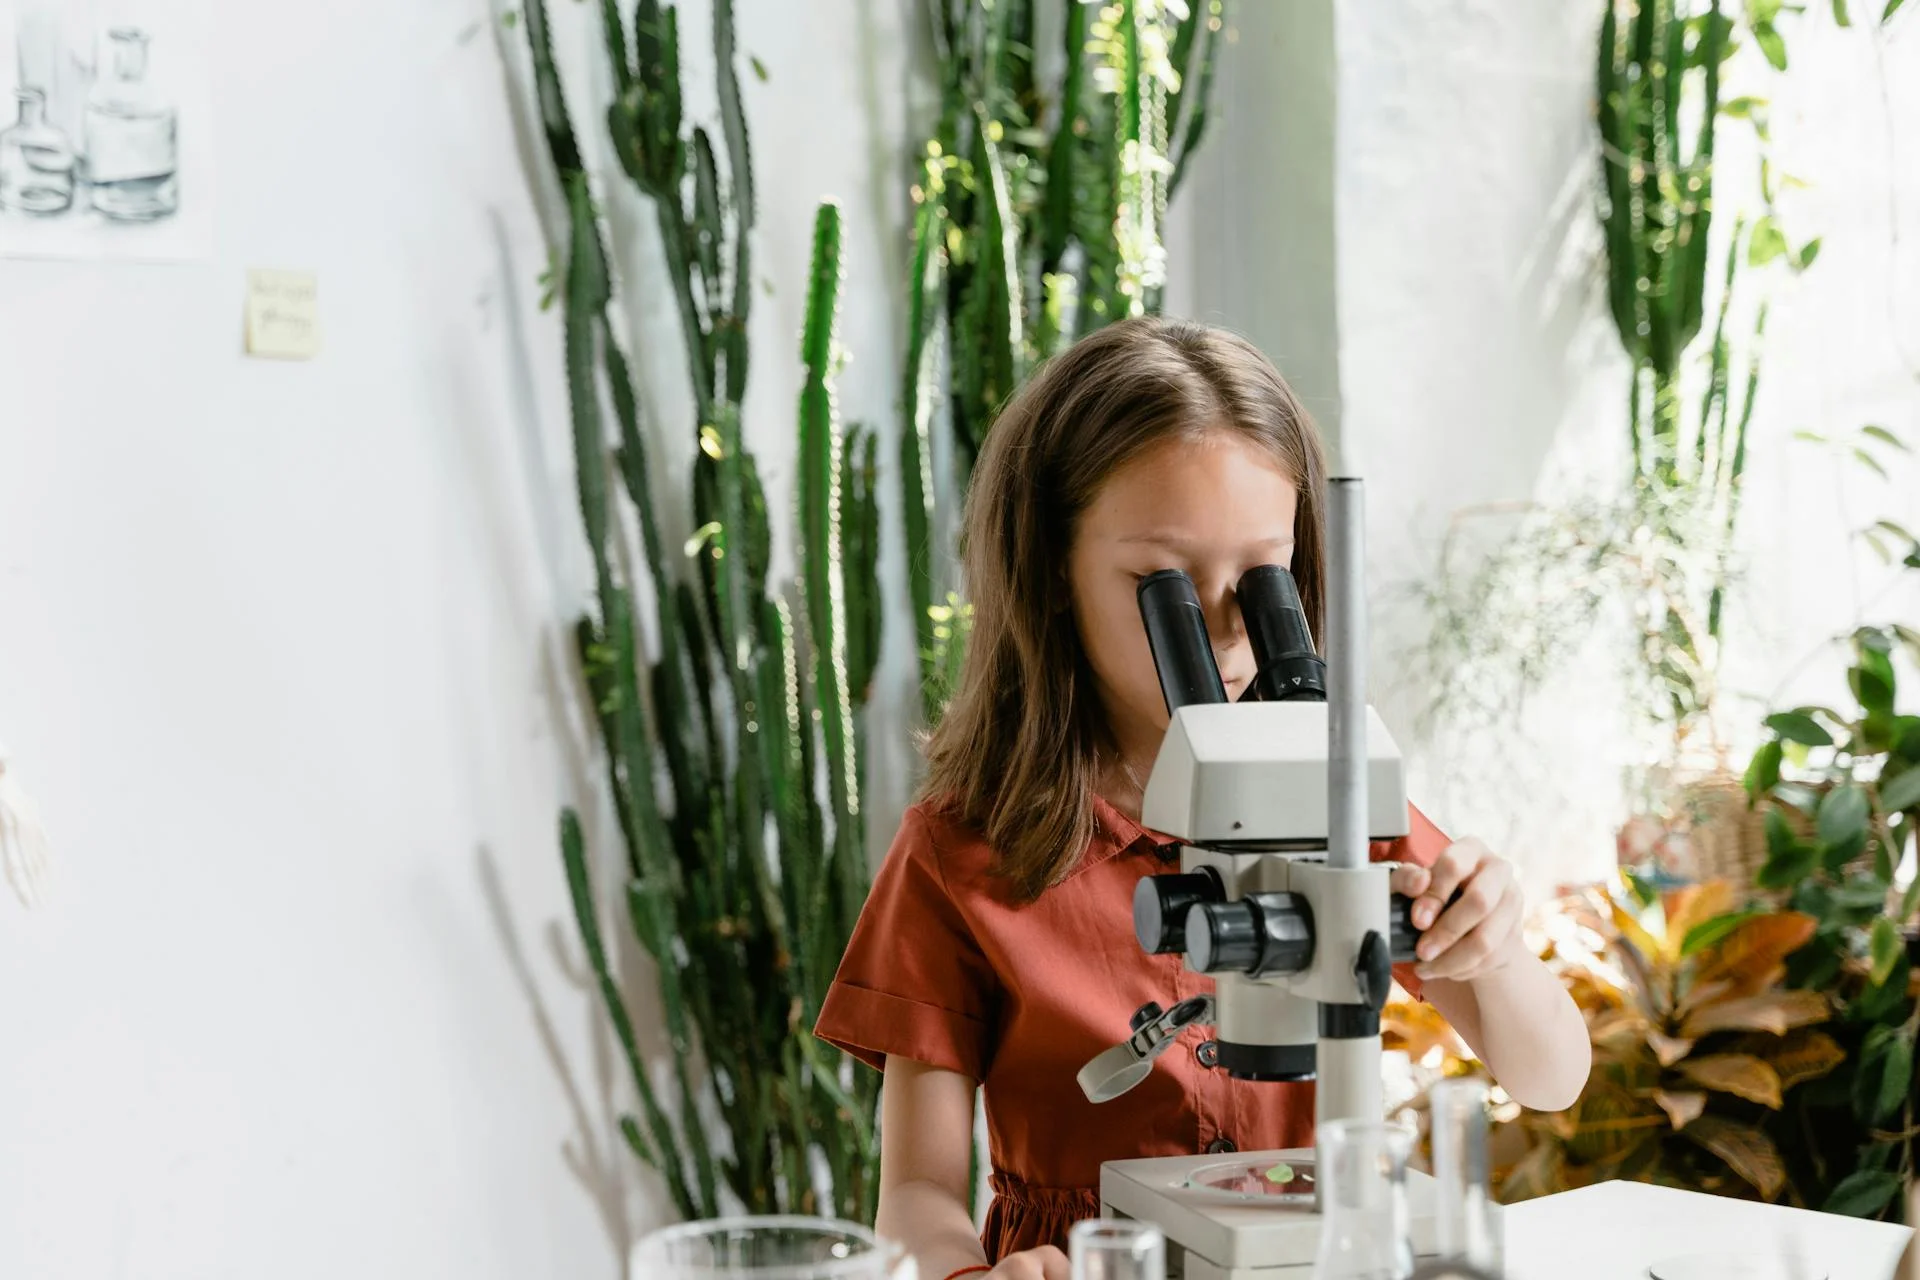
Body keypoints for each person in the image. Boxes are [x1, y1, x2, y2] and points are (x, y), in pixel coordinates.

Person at [813, 317, 1591, 1280]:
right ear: (1051, 569)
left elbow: (1551, 1076)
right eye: (1164, 585)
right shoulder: (959, 852)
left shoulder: (1336, 793)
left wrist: (1492, 945)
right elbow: (916, 1195)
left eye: (1260, 580)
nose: (1223, 628)